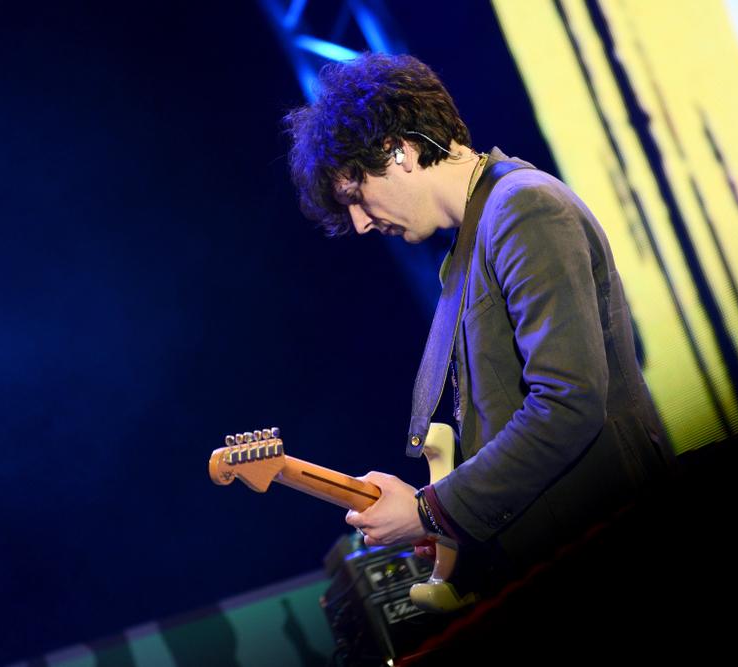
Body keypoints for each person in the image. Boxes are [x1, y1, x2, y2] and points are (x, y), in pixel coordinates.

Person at [283, 52, 677, 586]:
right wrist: (443, 519)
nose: (360, 224)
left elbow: (568, 403)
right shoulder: (470, 247)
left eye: (357, 197)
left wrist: (431, 511)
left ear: (399, 150)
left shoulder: (522, 207)